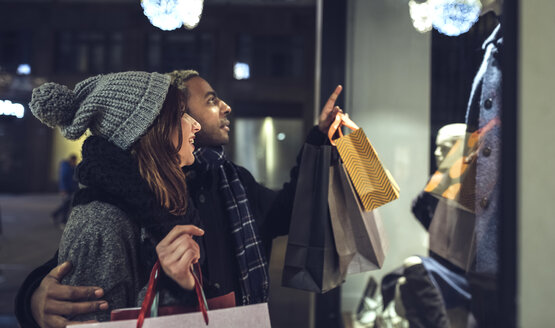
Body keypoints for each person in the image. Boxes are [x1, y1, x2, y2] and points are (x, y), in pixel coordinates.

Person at [15, 70, 343, 327]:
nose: (224, 107)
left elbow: (284, 213)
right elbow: (80, 270)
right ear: (154, 124)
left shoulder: (229, 180)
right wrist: (32, 297)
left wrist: (318, 140)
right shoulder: (141, 192)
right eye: (209, 101)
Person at [24, 71, 204, 323]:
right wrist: (170, 286)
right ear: (148, 133)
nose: (195, 124)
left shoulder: (165, 200)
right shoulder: (101, 223)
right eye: (179, 115)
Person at [51, 154, 78, 228]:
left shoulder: (71, 167)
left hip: (70, 189)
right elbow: (63, 179)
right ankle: (62, 220)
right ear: (71, 160)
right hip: (66, 189)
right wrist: (63, 189)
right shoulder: (66, 168)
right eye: (74, 161)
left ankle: (56, 215)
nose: (75, 162)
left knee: (66, 204)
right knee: (66, 204)